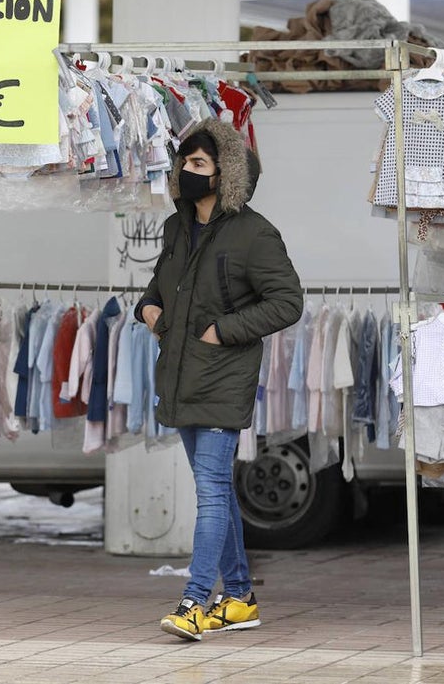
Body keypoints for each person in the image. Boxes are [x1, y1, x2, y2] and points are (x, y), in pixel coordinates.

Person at [135, 118, 303, 641]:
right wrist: (149, 311)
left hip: (222, 376)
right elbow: (159, 287)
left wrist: (222, 331)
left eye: (199, 163)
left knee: (210, 491)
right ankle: (241, 598)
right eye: (184, 162)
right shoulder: (176, 227)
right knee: (218, 491)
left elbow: (287, 302)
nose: (187, 171)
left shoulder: (255, 234)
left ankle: (194, 601)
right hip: (180, 375)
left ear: (225, 172)